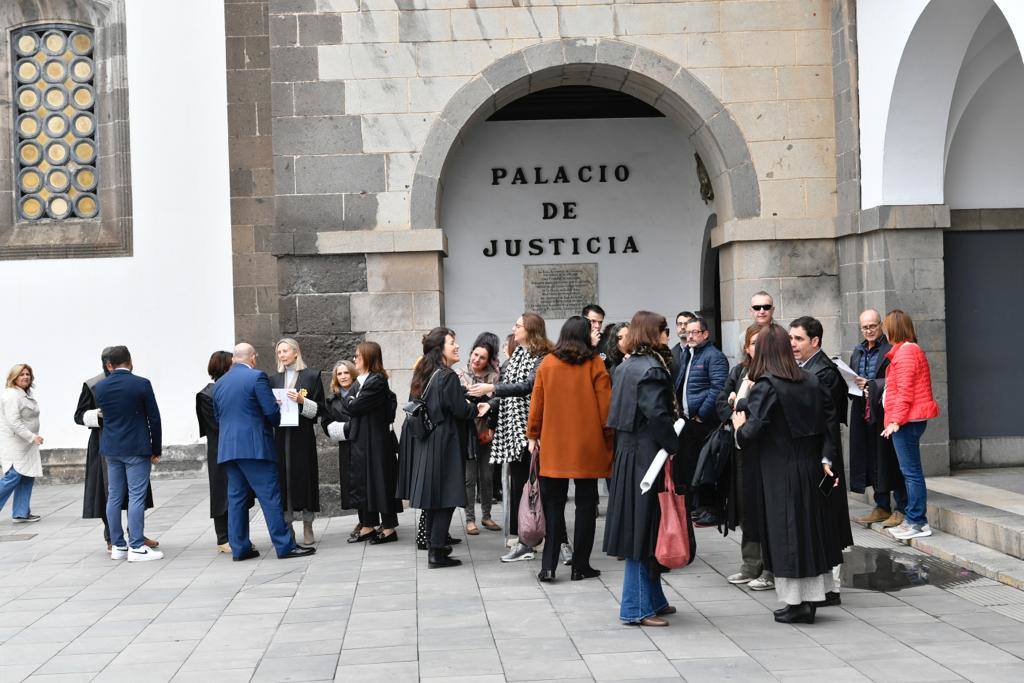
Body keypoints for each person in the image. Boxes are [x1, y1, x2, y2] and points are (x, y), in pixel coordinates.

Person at [731, 324, 844, 625]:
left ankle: (796, 603)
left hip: (781, 471)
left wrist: (738, 428)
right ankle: (810, 601)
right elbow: (829, 422)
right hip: (810, 466)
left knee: (788, 536)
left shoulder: (768, 384)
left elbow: (753, 430)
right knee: (810, 533)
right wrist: (825, 457)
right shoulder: (811, 379)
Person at [604, 311, 679, 627]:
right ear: (654, 333)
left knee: (644, 528)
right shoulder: (649, 369)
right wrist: (676, 444)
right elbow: (658, 416)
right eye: (664, 331)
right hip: (646, 458)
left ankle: (653, 600)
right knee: (642, 530)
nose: (668, 336)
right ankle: (636, 607)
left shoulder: (626, 366)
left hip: (629, 455)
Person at [526, 316, 612, 582]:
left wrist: (533, 435)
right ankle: (580, 565)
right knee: (586, 506)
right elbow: (605, 410)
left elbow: (536, 404)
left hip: (554, 445)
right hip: (588, 446)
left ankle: (548, 565)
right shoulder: (595, 363)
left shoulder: (548, 363)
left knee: (553, 506)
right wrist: (608, 439)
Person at [214, 343, 315, 561]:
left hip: (228, 449)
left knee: (237, 499)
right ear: (252, 358)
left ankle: (240, 549)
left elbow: (218, 416)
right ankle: (284, 545)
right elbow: (270, 411)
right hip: (254, 448)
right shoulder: (257, 377)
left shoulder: (220, 383)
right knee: (270, 497)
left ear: (234, 359)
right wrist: (277, 414)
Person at [469, 313, 554, 563]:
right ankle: (523, 538)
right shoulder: (516, 356)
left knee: (542, 486)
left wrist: (492, 389)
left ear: (530, 329)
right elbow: (509, 387)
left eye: (517, 325)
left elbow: (528, 387)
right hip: (514, 432)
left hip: (535, 431)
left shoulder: (542, 358)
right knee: (519, 484)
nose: (513, 328)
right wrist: (491, 404)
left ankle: (551, 537)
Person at [74, 348, 157, 551]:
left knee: (132, 494)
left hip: (122, 442)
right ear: (106, 365)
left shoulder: (131, 383)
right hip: (104, 439)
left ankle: (134, 534)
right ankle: (111, 537)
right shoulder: (93, 385)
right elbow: (79, 415)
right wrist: (98, 415)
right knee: (109, 493)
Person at [790, 316, 854, 569]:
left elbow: (824, 418)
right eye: (791, 338)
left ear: (815, 341)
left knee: (827, 515)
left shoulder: (823, 372)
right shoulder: (806, 367)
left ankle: (831, 585)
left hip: (823, 453)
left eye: (798, 339)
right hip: (813, 450)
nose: (792, 343)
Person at [408, 327, 475, 568]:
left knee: (434, 497)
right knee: (446, 496)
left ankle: (435, 547)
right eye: (452, 342)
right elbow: (460, 410)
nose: (457, 346)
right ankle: (436, 552)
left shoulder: (425, 373)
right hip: (445, 441)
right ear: (440, 349)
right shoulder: (446, 375)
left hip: (429, 441)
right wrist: (474, 406)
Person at [324, 342, 402, 545]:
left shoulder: (376, 381)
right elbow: (351, 402)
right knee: (364, 483)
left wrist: (351, 402)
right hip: (362, 441)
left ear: (368, 357)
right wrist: (352, 401)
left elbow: (354, 406)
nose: (355, 359)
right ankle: (367, 525)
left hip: (376, 442)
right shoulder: (361, 380)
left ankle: (388, 528)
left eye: (358, 356)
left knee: (380, 483)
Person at [93, 346, 163, 562]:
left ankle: (118, 546)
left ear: (109, 365)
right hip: (136, 447)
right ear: (130, 361)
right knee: (136, 496)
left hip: (111, 448)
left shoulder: (100, 387)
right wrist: (156, 448)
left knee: (113, 497)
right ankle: (136, 546)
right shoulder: (141, 384)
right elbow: (154, 418)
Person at [716, 324, 772, 588]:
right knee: (747, 509)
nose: (756, 347)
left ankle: (769, 568)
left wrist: (741, 404)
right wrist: (732, 410)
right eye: (752, 343)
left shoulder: (772, 374)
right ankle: (750, 565)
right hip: (740, 449)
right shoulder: (739, 371)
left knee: (765, 510)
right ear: (746, 347)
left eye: (761, 342)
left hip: (763, 450)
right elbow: (721, 403)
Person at [880, 310, 941, 541]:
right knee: (910, 472)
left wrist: (895, 421)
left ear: (894, 329)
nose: (884, 332)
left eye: (886, 327)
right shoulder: (907, 351)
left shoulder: (906, 353)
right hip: (907, 421)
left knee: (911, 473)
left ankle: (917, 521)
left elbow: (905, 391)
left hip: (905, 422)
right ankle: (913, 519)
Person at [849, 310, 906, 528]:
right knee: (872, 459)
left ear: (881, 325)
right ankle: (881, 506)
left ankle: (902, 507)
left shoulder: (890, 349)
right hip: (863, 411)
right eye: (865, 327)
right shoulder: (858, 350)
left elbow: (895, 379)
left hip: (886, 412)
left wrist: (871, 385)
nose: (869, 330)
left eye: (873, 326)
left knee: (892, 459)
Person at [270, 338, 324, 546]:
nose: (282, 355)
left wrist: (302, 401)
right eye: (279, 352)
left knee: (305, 476)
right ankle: (288, 524)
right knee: (284, 479)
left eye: (285, 351)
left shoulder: (311, 376)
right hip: (281, 436)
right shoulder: (273, 379)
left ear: (296, 352)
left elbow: (320, 409)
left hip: (302, 434)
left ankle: (308, 524)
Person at [675, 317, 729, 525]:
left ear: (705, 334)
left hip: (703, 422)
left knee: (706, 467)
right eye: (688, 332)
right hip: (688, 421)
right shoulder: (689, 354)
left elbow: (718, 388)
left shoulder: (713, 356)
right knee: (691, 466)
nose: (690, 336)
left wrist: (702, 414)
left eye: (695, 332)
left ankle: (709, 509)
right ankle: (697, 508)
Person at [197, 350, 251, 552]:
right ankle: (223, 538)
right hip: (219, 449)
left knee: (240, 492)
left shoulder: (232, 388)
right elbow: (216, 423)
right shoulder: (207, 394)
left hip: (236, 446)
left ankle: (238, 535)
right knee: (221, 492)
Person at [456, 337, 501, 535]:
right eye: (475, 355)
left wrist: (492, 427)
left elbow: (497, 402)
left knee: (487, 476)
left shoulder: (493, 377)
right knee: (469, 478)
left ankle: (487, 516)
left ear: (488, 360)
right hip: (467, 433)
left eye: (482, 358)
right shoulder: (460, 374)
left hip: (486, 432)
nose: (477, 360)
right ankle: (470, 519)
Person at [1, 364, 43, 522]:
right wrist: (32, 437)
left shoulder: (24, 394)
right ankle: (20, 511)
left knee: (27, 475)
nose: (25, 377)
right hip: (15, 444)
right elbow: (14, 422)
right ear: (14, 378)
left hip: (26, 444)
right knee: (13, 476)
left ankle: (21, 512)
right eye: (21, 375)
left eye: (28, 374)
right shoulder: (11, 395)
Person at [326, 360, 360, 540]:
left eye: (346, 373)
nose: (343, 376)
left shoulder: (362, 391)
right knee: (352, 484)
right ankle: (364, 520)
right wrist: (348, 428)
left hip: (364, 444)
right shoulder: (332, 400)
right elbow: (327, 423)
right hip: (346, 445)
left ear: (353, 373)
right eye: (339, 374)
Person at [670, 311, 696, 385]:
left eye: (686, 324)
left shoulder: (701, 351)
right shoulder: (671, 353)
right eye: (679, 324)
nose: (682, 327)